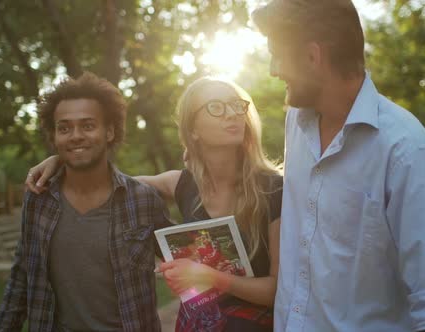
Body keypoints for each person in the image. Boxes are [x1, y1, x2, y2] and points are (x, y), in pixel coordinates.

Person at [251, 1, 425, 331]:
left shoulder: (405, 149)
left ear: (313, 57)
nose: (272, 69)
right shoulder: (296, 121)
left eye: (277, 55)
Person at [26, 77, 283, 331]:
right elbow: (108, 183)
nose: (232, 115)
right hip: (197, 324)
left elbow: (278, 290)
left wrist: (212, 277)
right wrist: (63, 161)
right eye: (216, 107)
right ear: (192, 128)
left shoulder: (274, 188)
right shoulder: (180, 184)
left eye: (237, 105)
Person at [0, 72, 170, 332]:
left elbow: (190, 257)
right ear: (54, 137)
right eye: (64, 128)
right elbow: (21, 277)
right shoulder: (38, 201)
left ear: (109, 131)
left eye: (88, 125)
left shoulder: (142, 200)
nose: (75, 135)